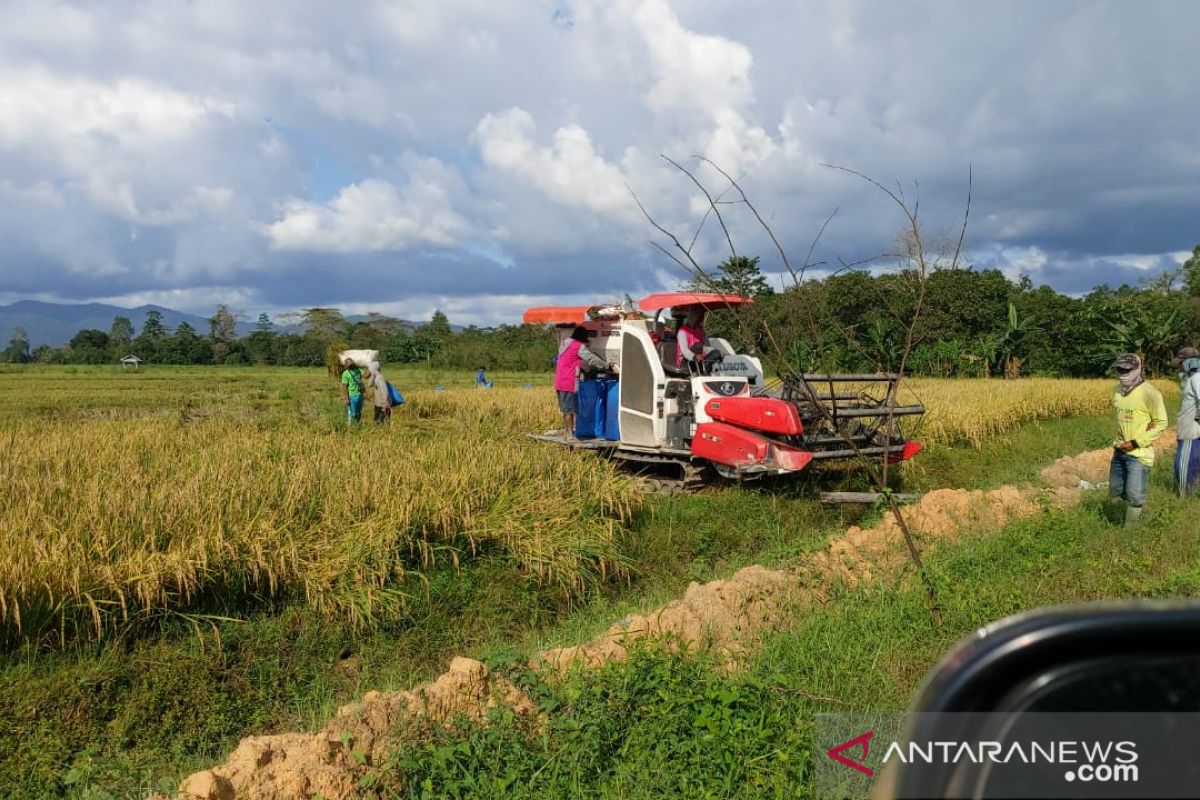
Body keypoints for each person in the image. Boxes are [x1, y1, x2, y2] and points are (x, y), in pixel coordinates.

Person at [1109, 353, 1167, 524]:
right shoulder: (1117, 391)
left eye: (1127, 370)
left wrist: (1135, 443)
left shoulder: (1150, 393)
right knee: (1116, 490)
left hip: (1139, 454)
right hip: (1119, 450)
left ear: (1138, 370)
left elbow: (1161, 422)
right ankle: (1118, 519)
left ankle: (1130, 533)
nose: (1123, 373)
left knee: (1135, 496)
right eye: (1119, 369)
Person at [554, 325, 609, 440]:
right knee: (570, 410)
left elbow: (570, 360)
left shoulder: (565, 343)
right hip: (568, 381)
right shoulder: (577, 346)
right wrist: (606, 365)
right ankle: (569, 435)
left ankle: (567, 432)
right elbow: (591, 359)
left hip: (559, 380)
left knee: (565, 409)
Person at [1174, 346, 1200, 497]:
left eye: (1182, 362)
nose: (1180, 366)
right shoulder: (1191, 378)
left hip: (1190, 432)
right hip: (1189, 430)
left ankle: (1183, 498)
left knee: (1183, 467)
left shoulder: (1196, 378)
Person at [340, 357, 365, 424]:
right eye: (348, 363)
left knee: (359, 412)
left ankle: (357, 425)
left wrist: (371, 367)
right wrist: (346, 399)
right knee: (352, 414)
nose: (350, 364)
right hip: (352, 396)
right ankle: (351, 428)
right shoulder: (345, 373)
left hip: (360, 395)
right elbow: (344, 387)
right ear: (346, 365)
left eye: (351, 362)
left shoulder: (358, 370)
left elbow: (366, 376)